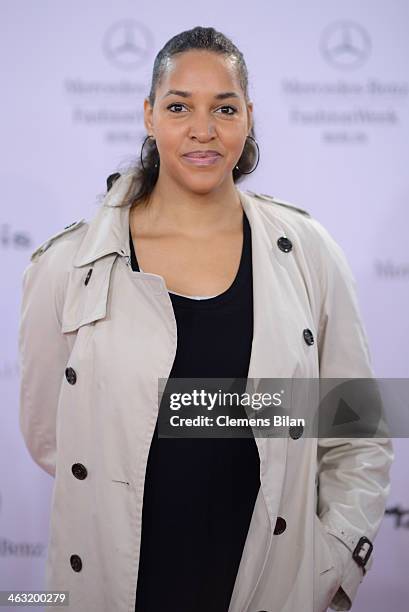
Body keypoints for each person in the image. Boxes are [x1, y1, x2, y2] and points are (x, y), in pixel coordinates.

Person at [18, 26, 393, 612]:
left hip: (268, 584)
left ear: (248, 117)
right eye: (178, 107)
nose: (203, 130)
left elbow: (358, 425)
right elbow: (52, 438)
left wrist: (333, 562)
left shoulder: (309, 251)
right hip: (120, 586)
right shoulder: (69, 264)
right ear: (148, 115)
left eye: (224, 107)